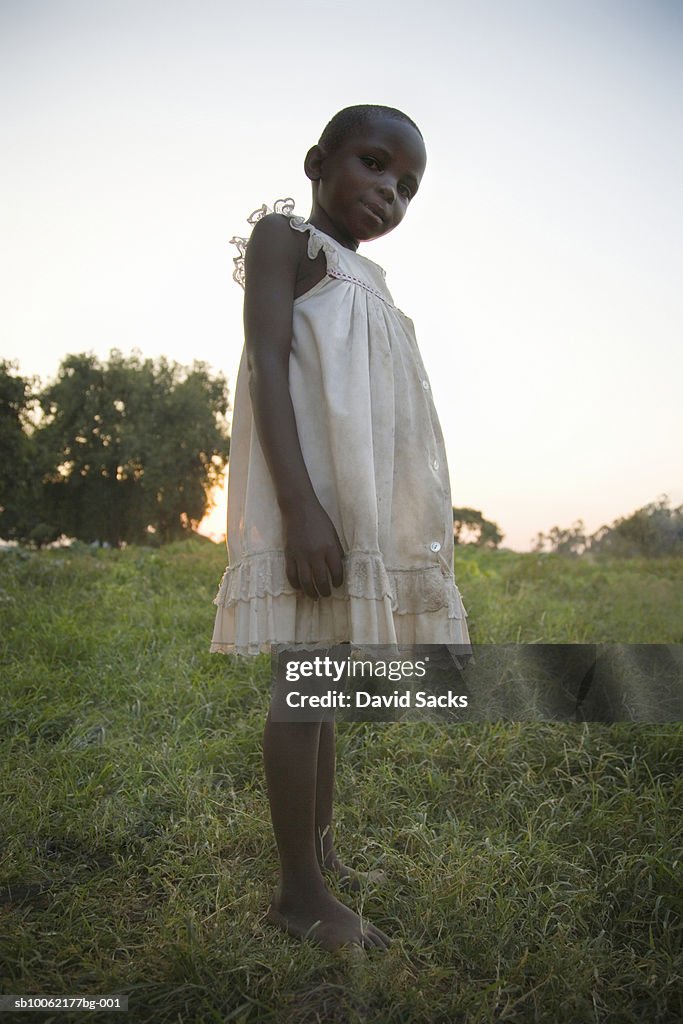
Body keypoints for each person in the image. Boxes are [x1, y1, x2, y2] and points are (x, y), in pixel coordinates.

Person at [211, 105, 470, 951]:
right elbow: (266, 364)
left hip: (350, 508)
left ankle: (320, 869)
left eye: (406, 187)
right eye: (372, 164)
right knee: (301, 688)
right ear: (317, 161)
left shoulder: (370, 279)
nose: (389, 193)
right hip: (309, 503)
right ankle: (298, 896)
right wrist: (300, 506)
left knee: (320, 691)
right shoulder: (288, 239)